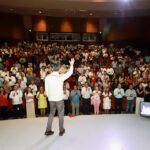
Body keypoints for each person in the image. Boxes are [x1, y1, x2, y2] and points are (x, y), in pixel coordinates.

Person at [45, 58, 74, 136]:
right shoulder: (60, 76)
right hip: (59, 99)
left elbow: (46, 90)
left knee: (51, 114)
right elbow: (70, 73)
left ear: (52, 68)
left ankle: (48, 130)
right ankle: (61, 130)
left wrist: (50, 96)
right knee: (60, 114)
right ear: (59, 68)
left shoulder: (47, 77)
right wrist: (71, 64)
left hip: (51, 99)